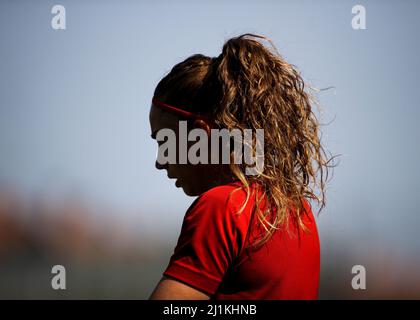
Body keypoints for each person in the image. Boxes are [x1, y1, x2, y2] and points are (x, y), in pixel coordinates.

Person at [148, 34, 335, 300]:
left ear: (200, 137)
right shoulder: (297, 211)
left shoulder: (222, 207)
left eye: (163, 142)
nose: (159, 161)